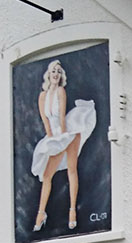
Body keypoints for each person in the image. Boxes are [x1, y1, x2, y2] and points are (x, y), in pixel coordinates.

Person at [29, 59, 96, 233]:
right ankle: (41, 213)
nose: (56, 74)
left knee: (71, 170)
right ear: (48, 75)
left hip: (67, 131)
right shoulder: (42, 96)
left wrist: (64, 137)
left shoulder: (61, 91)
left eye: (59, 71)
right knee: (46, 175)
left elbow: (61, 116)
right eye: (53, 71)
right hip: (54, 134)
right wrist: (52, 139)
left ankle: (72, 210)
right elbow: (45, 120)